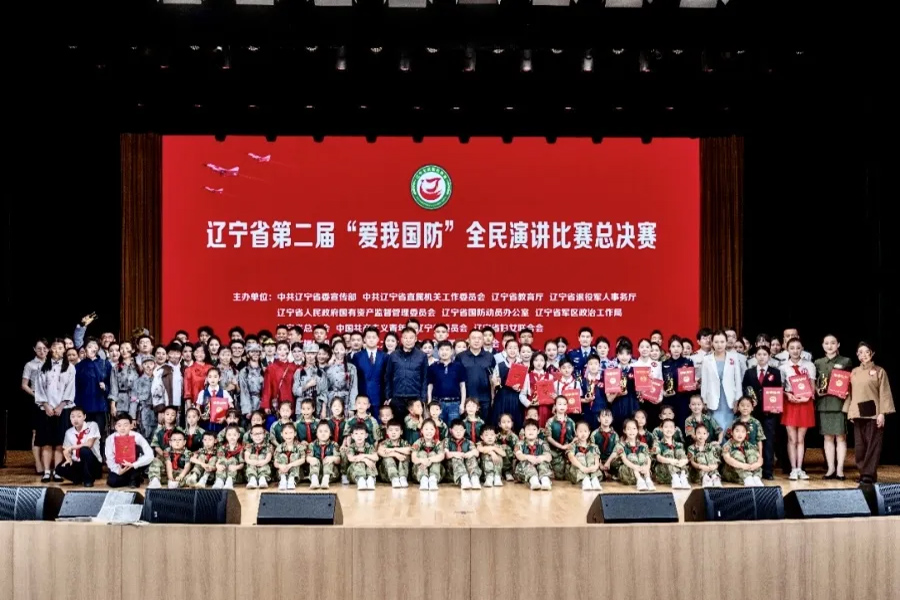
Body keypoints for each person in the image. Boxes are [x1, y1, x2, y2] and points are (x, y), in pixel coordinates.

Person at [845, 342, 895, 484]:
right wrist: (850, 412)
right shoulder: (854, 372)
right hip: (858, 412)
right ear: (857, 355)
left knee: (873, 445)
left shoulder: (879, 371)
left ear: (872, 353)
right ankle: (864, 473)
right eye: (860, 352)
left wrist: (882, 413)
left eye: (867, 352)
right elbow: (851, 393)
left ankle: (868, 474)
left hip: (874, 412)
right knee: (860, 447)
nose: (864, 355)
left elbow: (884, 393)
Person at [33, 339, 76, 483]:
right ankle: (47, 471)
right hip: (46, 409)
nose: (57, 350)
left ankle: (57, 471)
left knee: (59, 442)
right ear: (51, 349)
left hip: (62, 409)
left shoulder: (70, 367)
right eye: (55, 347)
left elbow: (70, 388)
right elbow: (39, 388)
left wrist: (61, 406)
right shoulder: (42, 366)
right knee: (46, 442)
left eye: (60, 348)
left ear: (64, 350)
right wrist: (46, 405)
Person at [814, 335, 853, 480]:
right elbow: (814, 381)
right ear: (822, 345)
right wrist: (817, 390)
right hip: (824, 403)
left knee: (841, 437)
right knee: (827, 438)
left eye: (832, 343)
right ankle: (830, 468)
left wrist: (847, 390)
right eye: (826, 343)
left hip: (839, 404)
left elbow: (850, 380)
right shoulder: (818, 362)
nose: (829, 346)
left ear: (838, 344)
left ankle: (840, 469)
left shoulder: (845, 361)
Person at [779, 338, 817, 480]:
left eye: (798, 347)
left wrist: (807, 397)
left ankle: (800, 468)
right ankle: (793, 469)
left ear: (802, 349)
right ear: (787, 349)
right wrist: (787, 395)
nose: (795, 351)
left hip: (805, 403)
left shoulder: (810, 365)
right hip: (790, 402)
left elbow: (812, 386)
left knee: (801, 438)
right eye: (792, 348)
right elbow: (781, 388)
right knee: (791, 438)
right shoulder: (783, 367)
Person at [742, 345, 782, 480]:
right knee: (752, 440)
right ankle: (753, 469)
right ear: (755, 356)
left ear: (769, 356)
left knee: (768, 441)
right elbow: (745, 390)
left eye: (764, 354)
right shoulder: (749, 372)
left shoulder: (775, 372)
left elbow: (778, 391)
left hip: (770, 413)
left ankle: (768, 471)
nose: (762, 357)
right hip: (753, 413)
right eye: (759, 354)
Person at [699, 330, 742, 434]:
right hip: (713, 398)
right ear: (712, 343)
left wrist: (738, 400)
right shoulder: (707, 359)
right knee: (716, 428)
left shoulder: (733, 357)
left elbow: (738, 380)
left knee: (729, 428)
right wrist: (704, 400)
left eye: (722, 342)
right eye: (716, 342)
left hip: (730, 399)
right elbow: (704, 382)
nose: (719, 345)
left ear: (726, 342)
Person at [384, 327, 428, 421]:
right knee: (398, 426)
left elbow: (425, 378)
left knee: (414, 427)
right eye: (405, 338)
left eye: (411, 338)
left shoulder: (422, 356)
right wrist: (389, 397)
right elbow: (388, 377)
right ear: (401, 339)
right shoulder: (393, 355)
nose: (408, 340)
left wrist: (423, 399)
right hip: (397, 398)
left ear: (415, 339)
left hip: (415, 398)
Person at [55, 407, 103, 487]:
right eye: (73, 416)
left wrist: (72, 447)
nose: (75, 419)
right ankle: (79, 478)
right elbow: (66, 450)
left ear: (84, 416)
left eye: (79, 416)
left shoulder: (92, 425)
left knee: (84, 450)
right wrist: (68, 459)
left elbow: (89, 444)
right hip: (78, 463)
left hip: (93, 463)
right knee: (59, 468)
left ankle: (88, 480)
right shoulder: (69, 432)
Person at [106, 412, 154, 488]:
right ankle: (134, 479)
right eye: (119, 425)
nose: (122, 428)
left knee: (136, 447)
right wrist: (118, 471)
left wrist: (134, 465)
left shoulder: (137, 436)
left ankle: (134, 477)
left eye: (125, 425)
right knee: (112, 482)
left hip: (134, 466)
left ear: (131, 426)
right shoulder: (110, 439)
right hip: (119, 466)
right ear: (115, 427)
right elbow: (109, 458)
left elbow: (150, 454)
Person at [721, 422, 764, 487]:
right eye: (737, 431)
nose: (740, 434)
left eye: (743, 432)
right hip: (732, 473)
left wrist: (756, 465)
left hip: (749, 471)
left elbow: (760, 458)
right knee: (736, 453)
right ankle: (747, 478)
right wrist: (743, 465)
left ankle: (756, 478)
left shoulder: (747, 444)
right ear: (732, 433)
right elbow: (728, 459)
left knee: (751, 453)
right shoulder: (727, 445)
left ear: (746, 434)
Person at [514, 419, 553, 491]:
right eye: (528, 429)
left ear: (538, 431)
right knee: (526, 462)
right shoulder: (519, 443)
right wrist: (528, 457)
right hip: (524, 472)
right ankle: (533, 481)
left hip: (540, 469)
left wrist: (541, 458)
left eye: (534, 429)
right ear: (524, 431)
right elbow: (519, 455)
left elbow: (549, 456)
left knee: (544, 463)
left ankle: (545, 480)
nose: (531, 431)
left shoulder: (543, 443)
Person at [444, 419, 482, 490]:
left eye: (461, 430)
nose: (458, 432)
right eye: (456, 430)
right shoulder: (447, 441)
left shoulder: (469, 442)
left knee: (471, 456)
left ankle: (474, 479)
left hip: (467, 469)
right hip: (452, 471)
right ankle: (464, 479)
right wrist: (457, 454)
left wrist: (470, 453)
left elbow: (476, 453)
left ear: (464, 431)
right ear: (451, 430)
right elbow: (447, 454)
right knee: (456, 457)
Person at [566, 421, 602, 491]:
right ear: (576, 432)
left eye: (585, 431)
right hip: (578, 471)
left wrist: (594, 467)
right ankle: (585, 481)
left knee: (590, 456)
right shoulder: (573, 445)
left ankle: (594, 480)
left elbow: (597, 460)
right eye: (580, 431)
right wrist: (582, 468)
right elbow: (571, 457)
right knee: (580, 456)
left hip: (592, 471)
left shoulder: (594, 446)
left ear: (589, 432)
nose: (583, 434)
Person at [411, 419, 445, 490]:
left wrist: (429, 459)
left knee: (433, 454)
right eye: (426, 429)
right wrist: (422, 460)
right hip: (418, 474)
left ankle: (433, 479)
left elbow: (442, 456)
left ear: (435, 431)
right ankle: (424, 479)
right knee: (422, 453)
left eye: (431, 429)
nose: (429, 431)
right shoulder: (417, 442)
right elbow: (414, 459)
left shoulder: (437, 443)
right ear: (422, 431)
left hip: (437, 474)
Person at [306, 421, 341, 489]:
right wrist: (311, 459)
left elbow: (338, 460)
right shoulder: (312, 445)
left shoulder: (334, 444)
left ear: (330, 433)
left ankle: (325, 480)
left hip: (331, 474)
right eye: (320, 431)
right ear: (316, 434)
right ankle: (314, 481)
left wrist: (332, 458)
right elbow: (307, 458)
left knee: (328, 459)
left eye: (326, 431)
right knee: (314, 460)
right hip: (317, 472)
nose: (323, 434)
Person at [377, 420, 411, 488]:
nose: (393, 432)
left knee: (405, 456)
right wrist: (395, 454)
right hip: (387, 475)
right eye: (391, 430)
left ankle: (402, 478)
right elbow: (380, 452)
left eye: (396, 430)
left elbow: (409, 450)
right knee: (388, 458)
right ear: (387, 431)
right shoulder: (384, 443)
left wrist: (393, 449)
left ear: (401, 432)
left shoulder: (404, 442)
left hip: (403, 474)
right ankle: (394, 478)